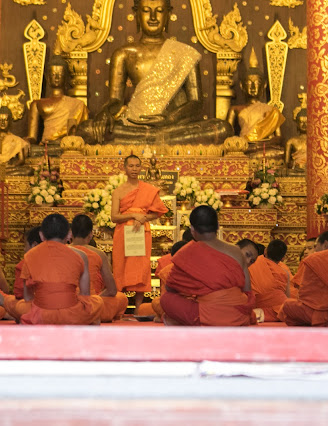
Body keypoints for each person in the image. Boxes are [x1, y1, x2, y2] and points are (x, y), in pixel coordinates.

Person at [75, 0, 231, 145]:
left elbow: (196, 102)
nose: (153, 17)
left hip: (172, 127)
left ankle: (154, 138)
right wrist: (104, 113)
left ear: (168, 14)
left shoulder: (185, 53)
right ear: (136, 13)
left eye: (159, 11)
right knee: (86, 130)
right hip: (134, 126)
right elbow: (116, 100)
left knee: (222, 128)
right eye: (146, 11)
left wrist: (170, 118)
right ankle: (155, 139)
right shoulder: (123, 53)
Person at [159, 205, 258, 326]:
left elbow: (170, 288)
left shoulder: (187, 252)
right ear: (217, 226)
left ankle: (183, 322)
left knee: (166, 299)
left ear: (192, 230)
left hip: (209, 314)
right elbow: (247, 290)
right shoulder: (236, 251)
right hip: (238, 314)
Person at [3, 214, 104, 325]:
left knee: (14, 303)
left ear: (41, 236)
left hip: (41, 315)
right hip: (72, 315)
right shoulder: (81, 255)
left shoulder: (30, 255)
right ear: (69, 235)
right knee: (97, 302)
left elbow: (28, 297)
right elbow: (85, 294)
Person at [111, 154, 168, 313]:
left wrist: (143, 218)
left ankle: (138, 309)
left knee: (141, 269)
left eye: (137, 166)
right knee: (120, 266)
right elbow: (114, 217)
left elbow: (158, 213)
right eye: (131, 166)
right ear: (125, 168)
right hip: (123, 232)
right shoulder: (118, 191)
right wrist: (132, 215)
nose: (134, 169)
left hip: (141, 232)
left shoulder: (147, 189)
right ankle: (118, 308)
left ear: (141, 168)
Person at [71, 214, 128, 322]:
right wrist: (97, 297)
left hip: (67, 305)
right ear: (90, 234)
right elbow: (112, 290)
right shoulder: (98, 253)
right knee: (122, 298)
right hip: (92, 305)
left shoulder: (63, 250)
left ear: (71, 233)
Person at [26, 56, 88, 151]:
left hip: (67, 147)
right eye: (54, 74)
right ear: (48, 77)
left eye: (60, 74)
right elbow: (32, 137)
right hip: (45, 147)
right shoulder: (37, 104)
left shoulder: (77, 104)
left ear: (66, 77)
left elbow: (82, 134)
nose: (57, 77)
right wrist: (25, 142)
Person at [248, 239, 292, 322]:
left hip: (257, 306)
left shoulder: (253, 264)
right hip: (278, 309)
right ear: (283, 258)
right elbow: (287, 296)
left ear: (265, 251)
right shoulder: (284, 272)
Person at [14, 226, 42, 300]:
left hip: (31, 304)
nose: (24, 249)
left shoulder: (23, 265)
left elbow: (19, 294)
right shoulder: (58, 260)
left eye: (25, 245)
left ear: (34, 245)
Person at [284, 108, 307, 174]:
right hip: (296, 171)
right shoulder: (291, 141)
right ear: (297, 123)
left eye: (306, 122)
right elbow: (287, 164)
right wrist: (295, 163)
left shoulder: (316, 141)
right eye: (301, 122)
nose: (304, 125)